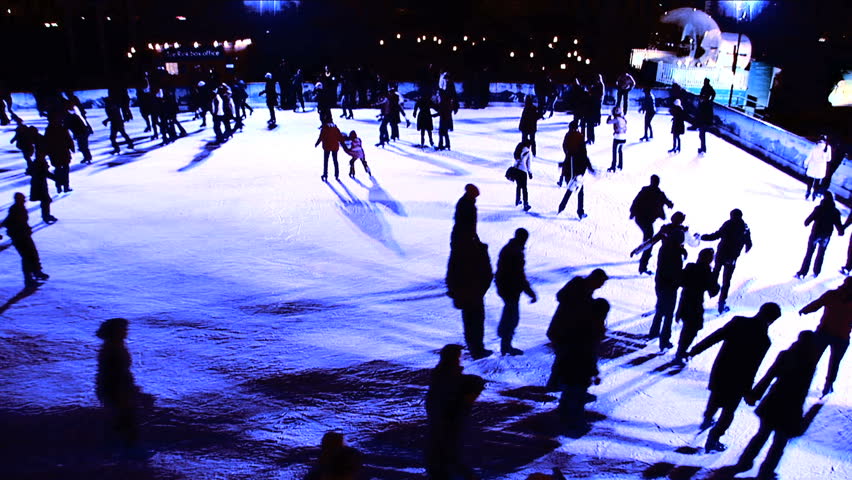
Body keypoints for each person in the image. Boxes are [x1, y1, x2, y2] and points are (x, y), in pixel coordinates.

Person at [689, 303, 781, 452]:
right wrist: (748, 391)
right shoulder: (764, 341)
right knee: (728, 411)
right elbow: (753, 367)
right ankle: (714, 438)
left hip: (721, 370)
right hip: (739, 379)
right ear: (772, 320)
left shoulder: (738, 322)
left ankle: (707, 419)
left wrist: (695, 350)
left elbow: (715, 337)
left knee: (715, 398)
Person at [733, 331, 821, 479]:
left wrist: (755, 395)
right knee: (779, 444)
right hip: (790, 408)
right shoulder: (810, 363)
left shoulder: (785, 355)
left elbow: (769, 376)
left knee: (761, 435)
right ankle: (766, 472)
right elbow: (802, 391)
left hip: (773, 402)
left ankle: (744, 462)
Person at [546, 270, 609, 435]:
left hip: (569, 336)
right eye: (600, 283)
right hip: (566, 334)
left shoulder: (584, 293)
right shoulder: (579, 293)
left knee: (567, 367)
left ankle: (562, 393)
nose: (600, 286)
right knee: (570, 373)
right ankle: (569, 415)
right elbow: (578, 318)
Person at [425, 344, 487, 480]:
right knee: (449, 456)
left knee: (445, 457)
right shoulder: (451, 379)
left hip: (443, 422)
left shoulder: (441, 376)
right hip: (448, 422)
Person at [446, 185, 494, 359]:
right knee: (475, 318)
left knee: (471, 318)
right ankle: (477, 349)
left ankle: (475, 347)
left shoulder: (460, 237)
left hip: (468, 289)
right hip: (471, 289)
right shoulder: (465, 241)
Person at [633, 212, 689, 350]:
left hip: (660, 279)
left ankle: (653, 333)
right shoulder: (679, 251)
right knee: (669, 313)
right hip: (671, 283)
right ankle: (664, 341)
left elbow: (651, 241)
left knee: (660, 307)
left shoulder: (664, 244)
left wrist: (638, 250)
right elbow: (679, 271)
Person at [798, 277, 852, 397]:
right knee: (834, 362)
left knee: (812, 359)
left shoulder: (832, 295)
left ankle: (803, 383)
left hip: (824, 332)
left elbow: (817, 304)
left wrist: (805, 310)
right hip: (842, 337)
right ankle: (828, 385)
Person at [95, 318, 142, 448]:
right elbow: (115, 373)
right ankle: (127, 449)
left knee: (123, 419)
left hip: (115, 387)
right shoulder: (113, 348)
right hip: (116, 388)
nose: (126, 332)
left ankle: (121, 447)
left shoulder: (114, 346)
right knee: (126, 419)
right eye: (124, 329)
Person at [495, 228, 537, 355]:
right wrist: (530, 293)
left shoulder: (509, 248)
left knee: (510, 315)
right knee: (511, 317)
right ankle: (506, 345)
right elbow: (519, 275)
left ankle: (505, 343)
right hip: (510, 288)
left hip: (505, 286)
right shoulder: (515, 252)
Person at [701, 209, 752, 313]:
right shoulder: (744, 227)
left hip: (721, 254)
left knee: (715, 273)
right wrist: (746, 247)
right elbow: (749, 242)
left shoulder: (728, 224)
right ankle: (721, 303)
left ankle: (711, 291)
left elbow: (716, 235)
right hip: (731, 257)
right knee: (726, 280)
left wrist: (704, 237)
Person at [674, 248, 719, 362]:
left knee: (687, 328)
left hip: (684, 301)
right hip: (696, 304)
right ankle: (681, 352)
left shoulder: (690, 267)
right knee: (692, 329)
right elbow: (713, 291)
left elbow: (680, 280)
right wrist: (715, 275)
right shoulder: (707, 272)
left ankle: (680, 350)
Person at [0, 192, 49, 288]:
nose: (25, 201)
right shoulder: (15, 210)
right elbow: (8, 222)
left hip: (24, 235)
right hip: (19, 237)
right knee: (27, 257)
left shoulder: (20, 208)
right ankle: (29, 279)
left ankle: (36, 272)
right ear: (18, 200)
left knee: (33, 254)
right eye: (23, 199)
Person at [629, 175, 674, 275]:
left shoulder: (649, 192)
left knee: (648, 238)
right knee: (650, 241)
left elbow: (636, 201)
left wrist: (632, 212)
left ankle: (645, 254)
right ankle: (643, 266)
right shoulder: (657, 193)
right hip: (644, 219)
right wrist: (670, 204)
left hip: (641, 218)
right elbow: (666, 201)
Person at [796, 192, 843, 278]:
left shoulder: (819, 208)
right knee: (821, 254)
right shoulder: (835, 212)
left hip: (816, 234)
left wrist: (807, 222)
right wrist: (841, 231)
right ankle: (816, 272)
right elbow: (838, 225)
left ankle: (802, 272)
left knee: (809, 253)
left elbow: (808, 220)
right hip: (826, 236)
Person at [557, 121, 595, 218]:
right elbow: (584, 153)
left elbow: (564, 147)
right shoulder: (579, 136)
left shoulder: (567, 136)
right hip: (577, 168)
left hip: (568, 166)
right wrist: (589, 167)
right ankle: (580, 212)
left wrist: (568, 154)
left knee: (570, 188)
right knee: (579, 190)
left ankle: (561, 207)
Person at [28, 140, 57, 224]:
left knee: (45, 200)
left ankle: (46, 215)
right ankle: (46, 216)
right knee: (45, 200)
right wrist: (56, 178)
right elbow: (45, 173)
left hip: (37, 183)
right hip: (39, 184)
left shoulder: (36, 162)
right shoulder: (40, 163)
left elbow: (29, 171)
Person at [43, 115, 74, 193]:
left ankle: (59, 186)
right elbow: (68, 138)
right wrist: (71, 147)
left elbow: (46, 142)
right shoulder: (62, 128)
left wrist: (46, 152)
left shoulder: (49, 130)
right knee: (65, 169)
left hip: (54, 153)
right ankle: (65, 186)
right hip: (63, 151)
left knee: (58, 169)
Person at [803, 135, 831, 201]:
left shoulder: (815, 146)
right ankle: (814, 193)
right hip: (820, 167)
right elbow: (829, 159)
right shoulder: (828, 148)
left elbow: (809, 156)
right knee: (817, 182)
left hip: (812, 166)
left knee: (810, 180)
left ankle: (808, 192)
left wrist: (806, 163)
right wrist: (824, 156)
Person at [511, 140, 533, 211]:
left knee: (518, 186)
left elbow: (516, 159)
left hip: (516, 170)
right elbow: (528, 164)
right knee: (524, 188)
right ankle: (525, 204)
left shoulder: (519, 149)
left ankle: (517, 200)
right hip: (523, 171)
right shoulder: (528, 152)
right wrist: (530, 173)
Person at [606, 107, 627, 172]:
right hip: (624, 137)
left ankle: (613, 166)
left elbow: (608, 122)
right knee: (620, 151)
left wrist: (609, 116)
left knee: (614, 152)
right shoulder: (623, 119)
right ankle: (620, 165)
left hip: (618, 137)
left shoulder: (616, 119)